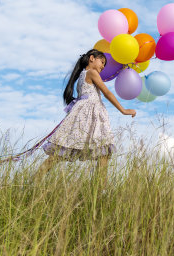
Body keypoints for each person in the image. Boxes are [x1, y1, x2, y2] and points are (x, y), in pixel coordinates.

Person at [34, 49, 136, 184]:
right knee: (102, 153)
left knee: (67, 152)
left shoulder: (82, 75)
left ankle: (35, 180)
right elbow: (106, 92)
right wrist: (123, 110)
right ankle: (100, 189)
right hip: (89, 116)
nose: (103, 66)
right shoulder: (91, 73)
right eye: (102, 62)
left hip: (86, 115)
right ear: (92, 58)